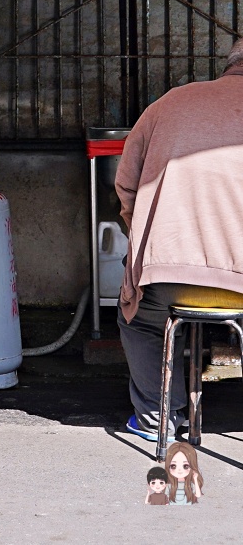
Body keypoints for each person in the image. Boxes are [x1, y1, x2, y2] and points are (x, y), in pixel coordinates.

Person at [116, 38, 243, 442]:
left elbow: (126, 186)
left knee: (142, 322)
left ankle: (158, 419)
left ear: (229, 64)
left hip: (170, 276)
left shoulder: (170, 103)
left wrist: (145, 245)